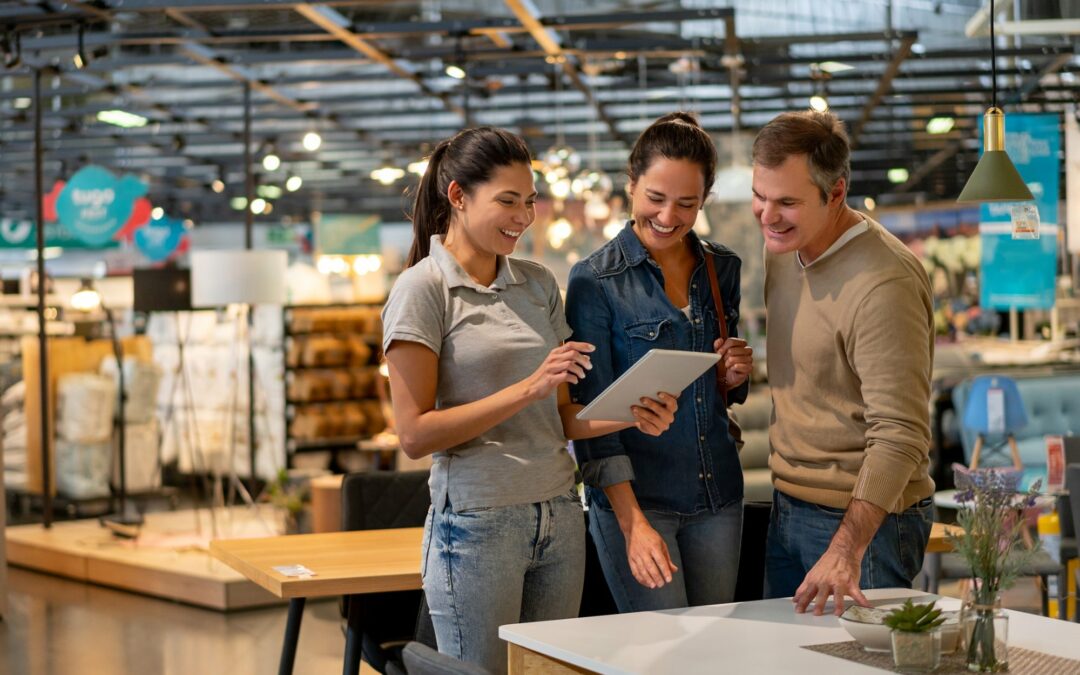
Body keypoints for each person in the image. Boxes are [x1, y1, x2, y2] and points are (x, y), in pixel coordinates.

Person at [381, 126, 679, 672]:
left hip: (561, 517)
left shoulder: (539, 283)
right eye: (508, 201)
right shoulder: (421, 290)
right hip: (476, 526)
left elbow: (562, 416)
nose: (524, 216)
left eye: (530, 200)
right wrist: (528, 388)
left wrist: (628, 413)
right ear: (458, 197)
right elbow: (415, 435)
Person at [565, 112, 754, 612]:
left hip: (719, 496)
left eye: (686, 203)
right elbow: (592, 421)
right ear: (631, 185)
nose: (669, 216)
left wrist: (732, 375)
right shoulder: (595, 282)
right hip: (639, 502)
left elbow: (721, 390)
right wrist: (631, 523)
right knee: (661, 656)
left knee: (717, 652)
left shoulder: (722, 268)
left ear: (704, 201)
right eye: (655, 198)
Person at [751, 110, 935, 615]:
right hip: (787, 505)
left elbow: (900, 433)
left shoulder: (884, 283)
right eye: (760, 197)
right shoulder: (784, 249)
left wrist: (845, 548)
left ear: (836, 193)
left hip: (863, 527)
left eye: (787, 202)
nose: (768, 216)